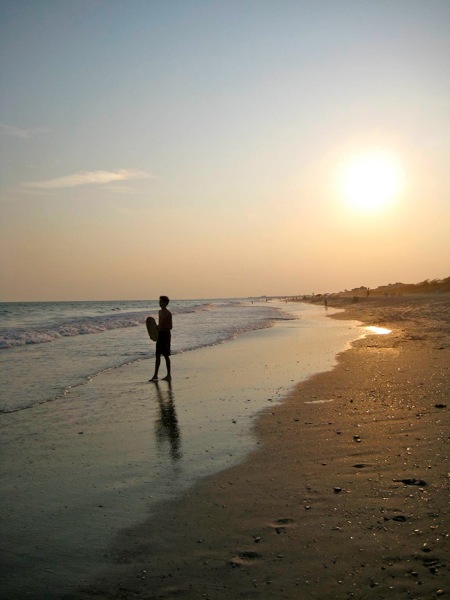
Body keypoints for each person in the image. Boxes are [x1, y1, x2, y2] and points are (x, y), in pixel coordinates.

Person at [150, 295, 172, 381]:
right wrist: (156, 329)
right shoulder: (159, 312)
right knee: (157, 355)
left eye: (161, 301)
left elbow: (170, 326)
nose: (159, 303)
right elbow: (160, 324)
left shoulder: (168, 313)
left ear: (165, 303)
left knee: (166, 355)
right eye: (159, 301)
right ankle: (155, 375)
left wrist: (160, 327)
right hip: (160, 335)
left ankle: (169, 375)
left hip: (166, 335)